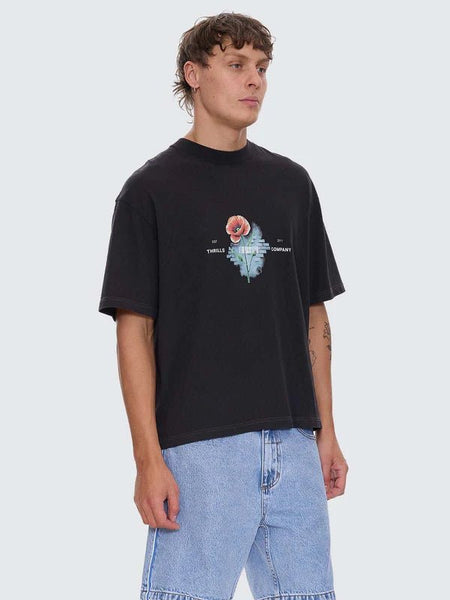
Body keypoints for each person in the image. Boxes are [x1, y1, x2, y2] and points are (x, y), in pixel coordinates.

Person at [98, 11, 349, 600]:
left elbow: (314, 317)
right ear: (194, 75)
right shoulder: (150, 191)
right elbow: (134, 332)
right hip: (200, 450)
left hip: (293, 443)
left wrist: (326, 433)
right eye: (236, 65)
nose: (254, 80)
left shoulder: (292, 184)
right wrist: (148, 458)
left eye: (261, 67)